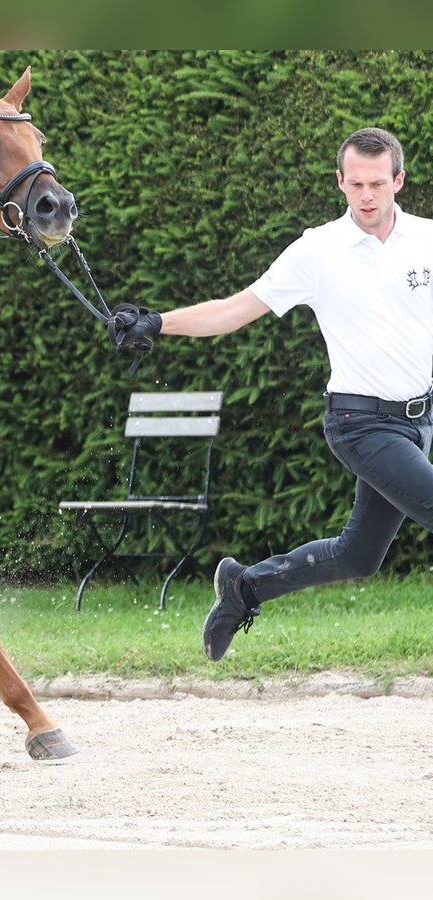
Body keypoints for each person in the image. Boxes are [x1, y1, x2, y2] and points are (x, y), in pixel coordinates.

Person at [107, 126, 433, 661]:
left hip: (418, 420)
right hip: (360, 423)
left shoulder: (426, 239)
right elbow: (235, 309)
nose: (367, 196)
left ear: (398, 180)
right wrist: (157, 321)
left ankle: (245, 588)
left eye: (378, 183)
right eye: (355, 184)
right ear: (340, 182)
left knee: (359, 557)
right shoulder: (318, 250)